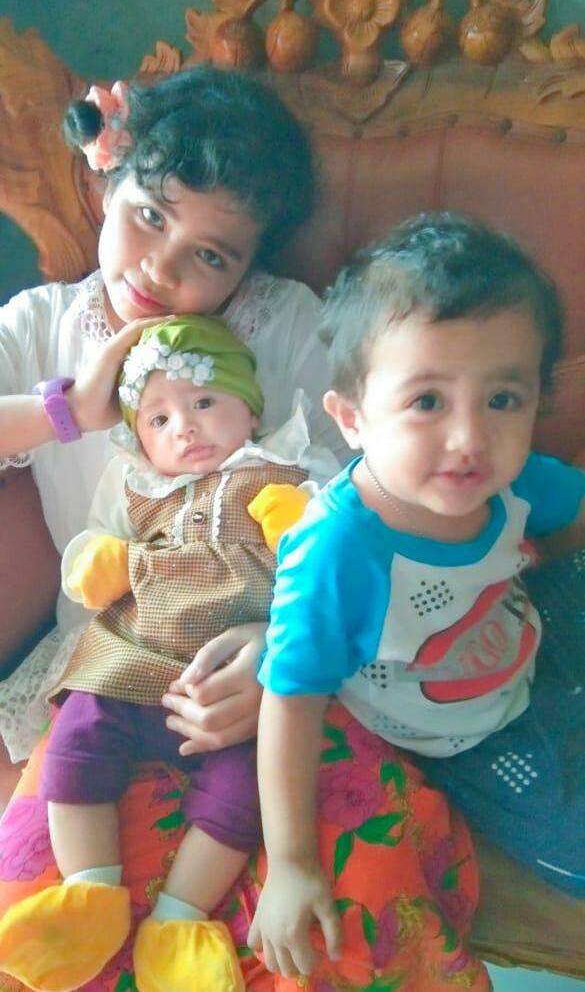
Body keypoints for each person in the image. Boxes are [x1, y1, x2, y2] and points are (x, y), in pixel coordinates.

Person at [0, 69, 490, 992]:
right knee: (56, 932)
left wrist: (275, 645)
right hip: (111, 662)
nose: (162, 268)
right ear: (105, 183)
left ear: (250, 264)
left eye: (211, 254)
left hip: (286, 659)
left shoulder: (289, 328)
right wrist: (67, 411)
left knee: (328, 931)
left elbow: (360, 512)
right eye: (149, 216)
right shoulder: (41, 325)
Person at [249, 213, 585, 976]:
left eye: (503, 399)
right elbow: (289, 702)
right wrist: (291, 862)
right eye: (427, 402)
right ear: (351, 418)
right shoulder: (337, 550)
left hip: (526, 631)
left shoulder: (515, 479)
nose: (469, 438)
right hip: (457, 734)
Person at [0, 314, 318, 992]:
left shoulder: (281, 476)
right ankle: (90, 891)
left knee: (246, 790)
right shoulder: (136, 486)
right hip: (132, 658)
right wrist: (101, 560)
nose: (185, 428)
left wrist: (299, 528)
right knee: (75, 739)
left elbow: (323, 566)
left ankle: (179, 918)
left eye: (204, 401)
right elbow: (95, 548)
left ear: (251, 409)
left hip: (226, 684)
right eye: (159, 419)